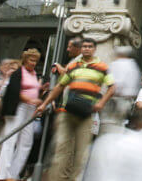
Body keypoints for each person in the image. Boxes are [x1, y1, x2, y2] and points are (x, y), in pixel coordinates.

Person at [37, 38, 115, 181]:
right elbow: (60, 86)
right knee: (61, 150)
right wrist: (44, 103)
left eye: (90, 46)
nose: (86, 49)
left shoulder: (102, 67)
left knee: (81, 153)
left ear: (94, 49)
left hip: (86, 114)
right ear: (81, 49)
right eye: (84, 46)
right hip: (67, 112)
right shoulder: (73, 66)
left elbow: (112, 87)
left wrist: (101, 103)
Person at [0, 49, 42, 181]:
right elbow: (14, 90)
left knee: (27, 142)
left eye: (35, 61)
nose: (33, 63)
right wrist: (30, 100)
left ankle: (13, 173)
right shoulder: (18, 73)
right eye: (31, 60)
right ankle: (2, 174)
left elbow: (33, 89)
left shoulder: (34, 74)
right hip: (18, 107)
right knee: (10, 139)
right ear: (25, 60)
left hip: (30, 109)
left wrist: (40, 92)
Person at [105, 46, 140, 133]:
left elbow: (117, 83)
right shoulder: (133, 64)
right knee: (120, 124)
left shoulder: (118, 64)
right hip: (128, 100)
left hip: (116, 99)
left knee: (111, 126)